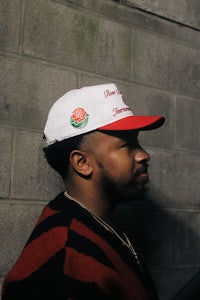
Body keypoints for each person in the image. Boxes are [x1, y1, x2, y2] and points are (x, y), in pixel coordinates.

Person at [1, 83, 165, 300]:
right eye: (127, 145)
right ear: (82, 162)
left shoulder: (99, 222)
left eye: (138, 142)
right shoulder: (60, 257)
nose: (144, 155)